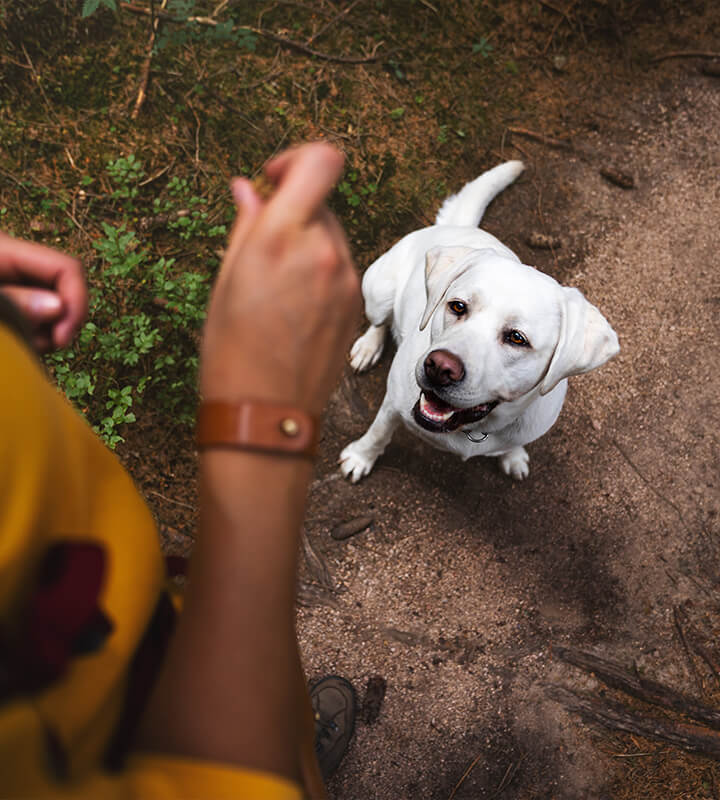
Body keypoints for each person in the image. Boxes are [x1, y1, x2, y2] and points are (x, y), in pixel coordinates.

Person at [0, 142, 361, 798]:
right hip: (132, 754)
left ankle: (287, 731)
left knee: (281, 716)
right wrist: (263, 420)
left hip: (144, 631)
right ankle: (278, 752)